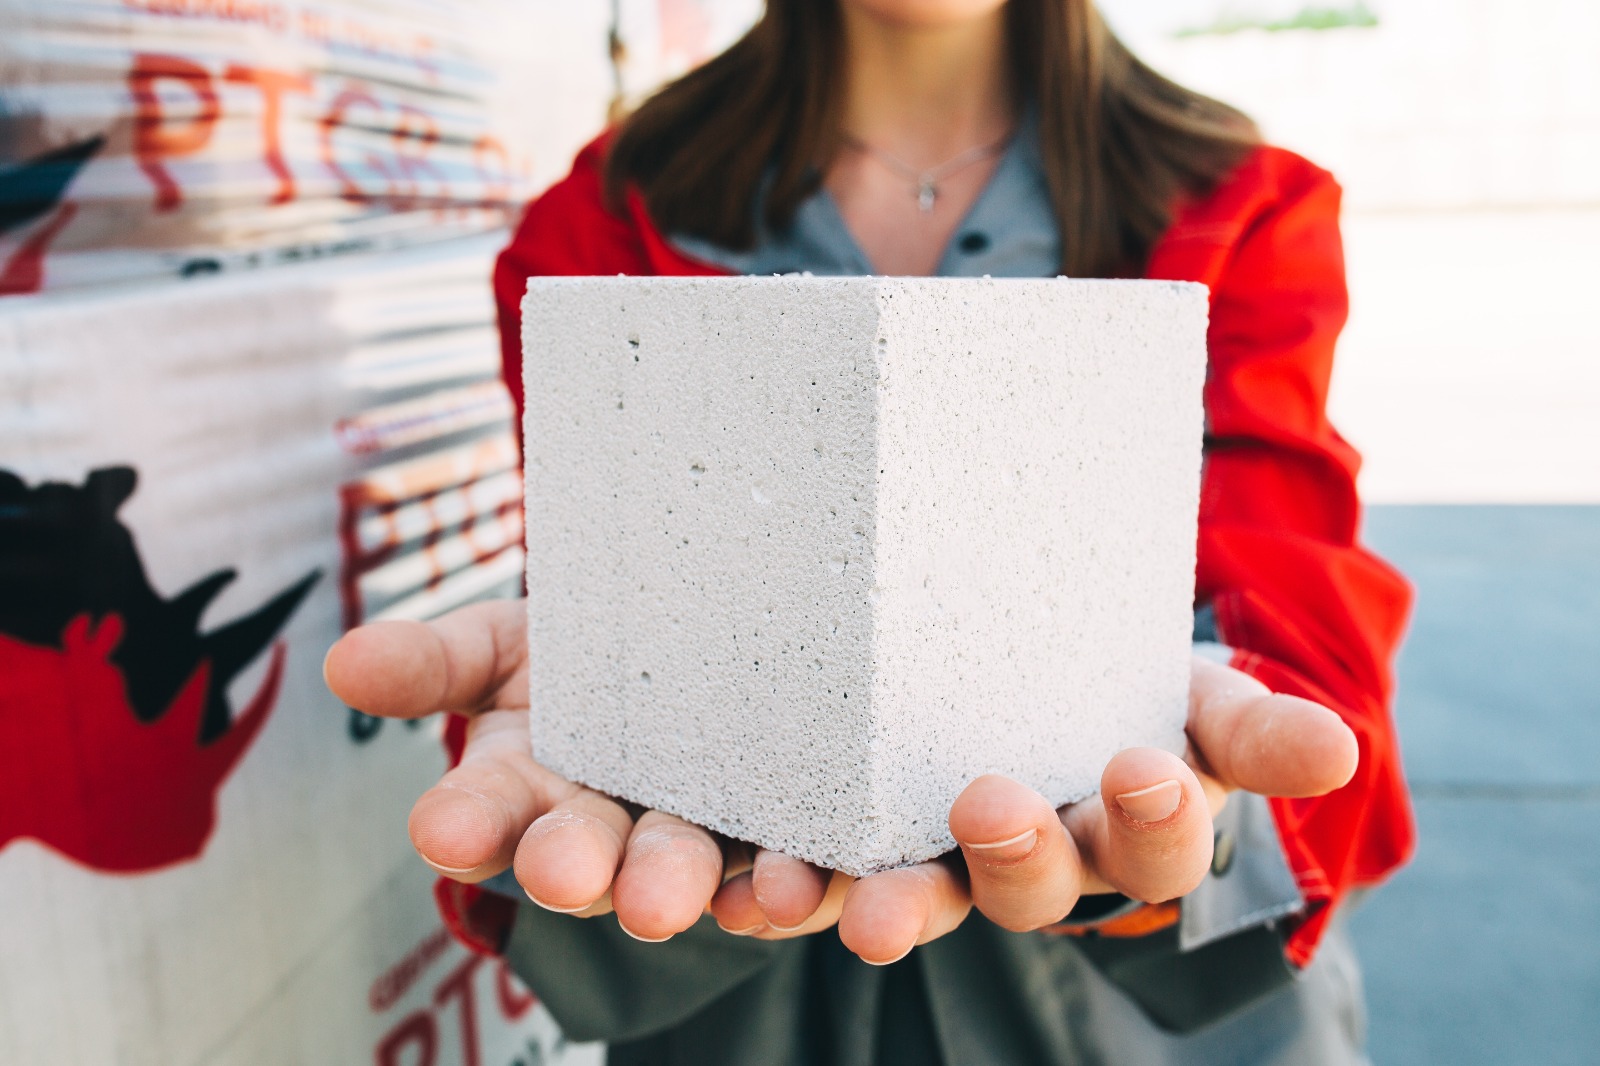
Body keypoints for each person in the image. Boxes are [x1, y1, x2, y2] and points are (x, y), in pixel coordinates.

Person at [324, 0, 1415, 1061]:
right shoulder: (612, 210)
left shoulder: (1233, 202)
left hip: (1106, 1016)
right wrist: (617, 728)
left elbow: (1285, 571)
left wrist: (1198, 789)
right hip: (742, 975)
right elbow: (613, 572)